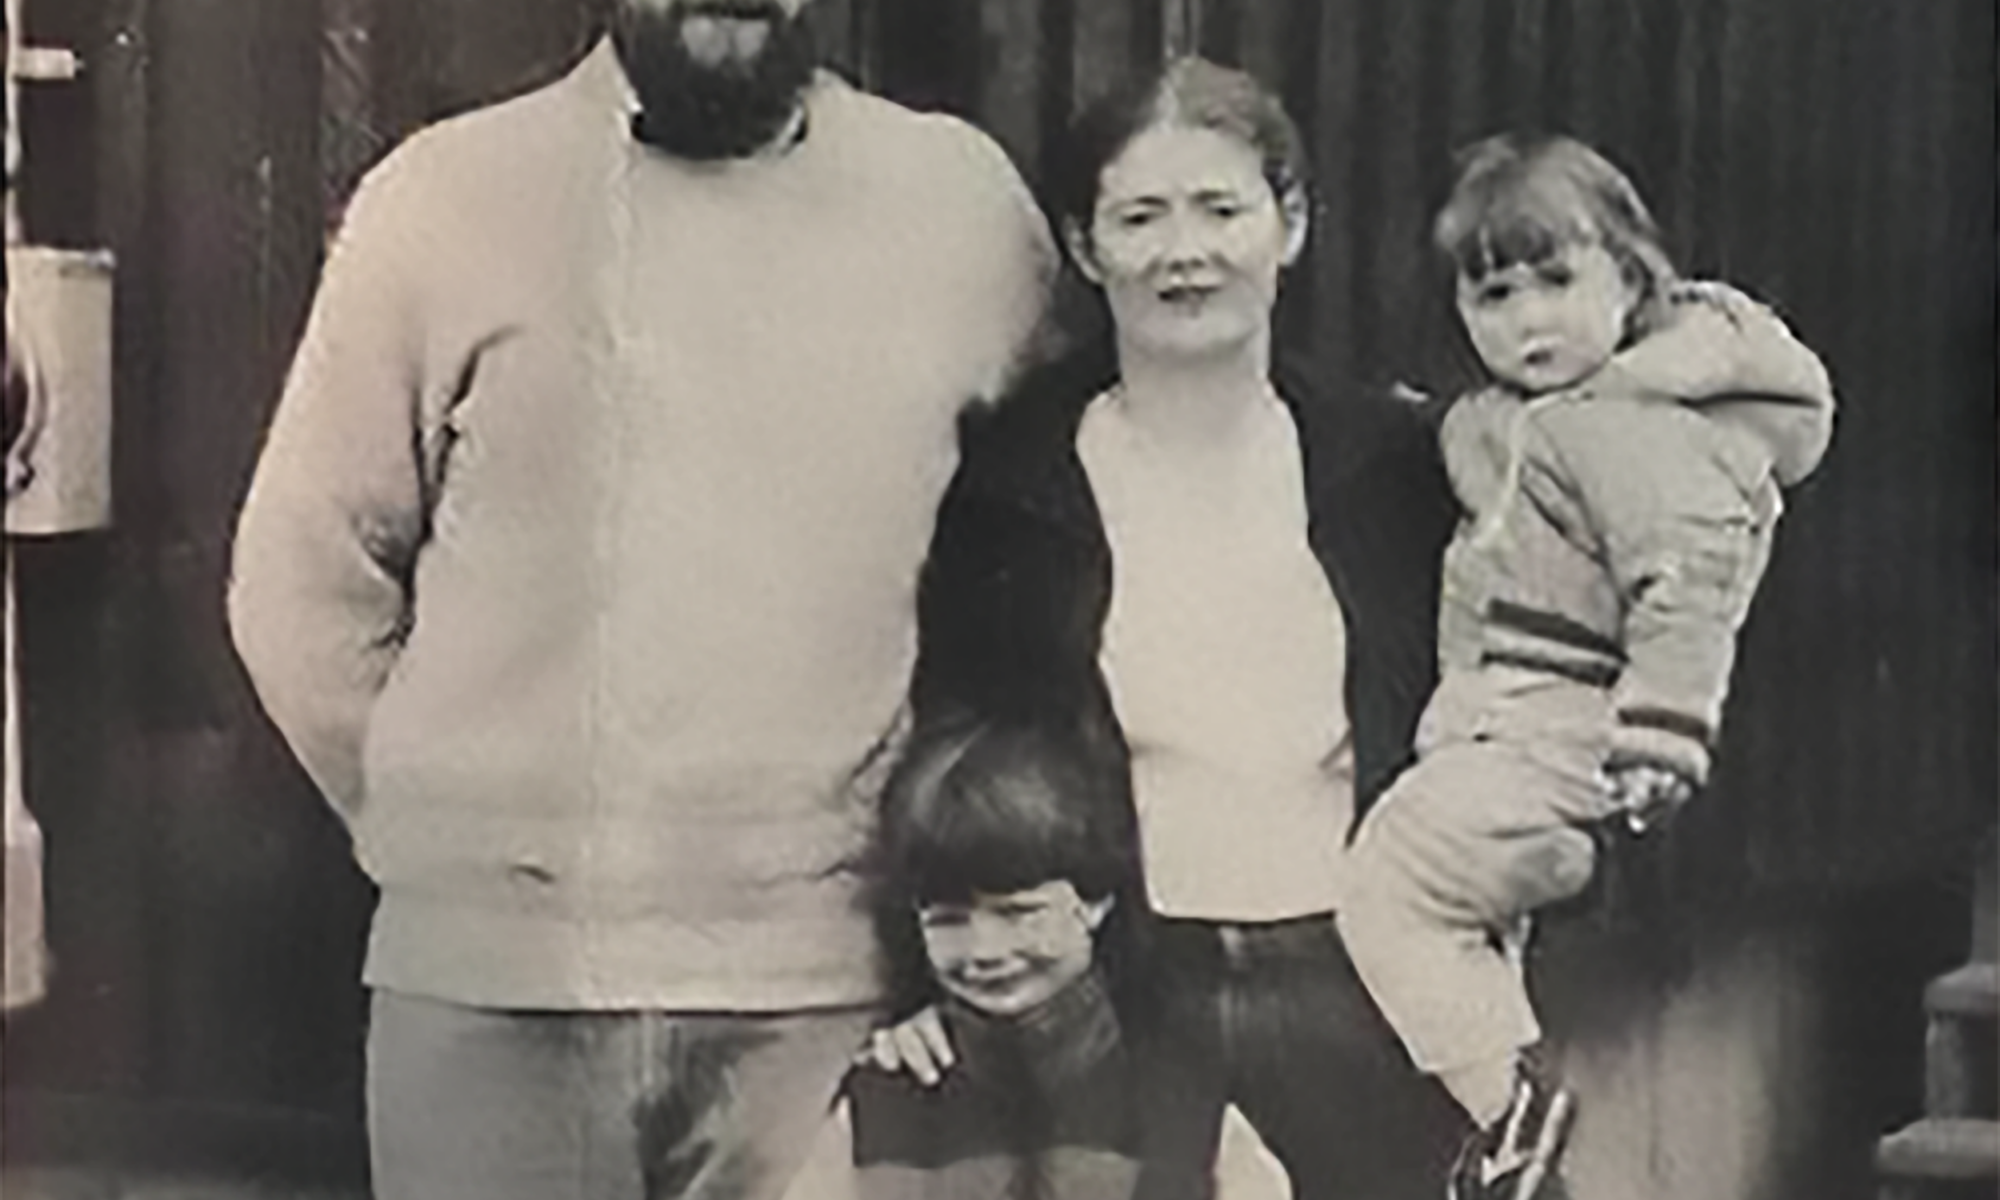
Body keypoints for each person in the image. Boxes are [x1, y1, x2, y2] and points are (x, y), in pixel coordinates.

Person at [226, 0, 1051, 1195]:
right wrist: (455, 838)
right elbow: (300, 583)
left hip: (832, 997)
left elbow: (1045, 548)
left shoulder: (961, 207)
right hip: (493, 997)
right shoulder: (443, 198)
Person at [876, 57, 1469, 1200]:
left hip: (1361, 984)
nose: (1182, 250)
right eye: (1139, 216)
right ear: (1087, 248)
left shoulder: (1390, 460)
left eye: (1219, 208)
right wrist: (919, 977)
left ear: (1287, 226)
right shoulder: (1016, 480)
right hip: (1126, 998)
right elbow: (953, 744)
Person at [1335, 132, 1835, 1200]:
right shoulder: (1546, 418)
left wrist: (1662, 726)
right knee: (1464, 922)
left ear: (1631, 273)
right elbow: (1513, 487)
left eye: (1555, 282)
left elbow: (1684, 574)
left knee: (1384, 878)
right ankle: (1517, 1136)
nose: (1527, 321)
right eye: (1493, 296)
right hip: (1502, 721)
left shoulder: (1637, 422)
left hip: (1563, 719)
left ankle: (1510, 1114)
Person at [837, 717, 1288, 1199]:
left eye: (1020, 913)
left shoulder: (1190, 1091)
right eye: (948, 920)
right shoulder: (881, 1098)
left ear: (1095, 902)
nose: (984, 950)